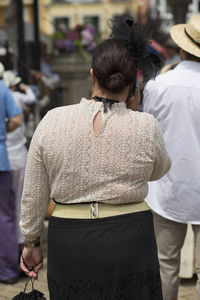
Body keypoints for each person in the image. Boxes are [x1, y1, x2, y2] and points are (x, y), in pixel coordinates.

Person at [20, 16, 171, 299]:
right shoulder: (145, 125)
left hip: (70, 241)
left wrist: (31, 240)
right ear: (132, 82)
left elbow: (34, 192)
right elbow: (160, 169)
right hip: (131, 239)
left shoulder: (53, 120)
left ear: (92, 75)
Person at [143, 15, 200, 300]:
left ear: (182, 47)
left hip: (168, 187)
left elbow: (147, 132)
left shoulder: (158, 85)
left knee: (165, 264)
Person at [3, 71, 36, 251]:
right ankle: (21, 245)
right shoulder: (16, 97)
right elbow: (31, 98)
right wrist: (26, 88)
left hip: (8, 157)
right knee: (20, 204)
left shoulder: (7, 96)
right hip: (17, 157)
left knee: (8, 207)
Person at [0, 79, 22, 284]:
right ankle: (6, 271)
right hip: (1, 160)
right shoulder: (2, 89)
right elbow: (17, 119)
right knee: (4, 217)